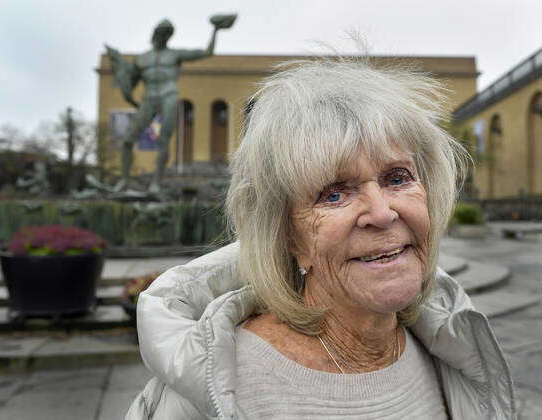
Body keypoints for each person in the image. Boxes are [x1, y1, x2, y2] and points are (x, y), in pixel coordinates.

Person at [126, 58, 516, 419]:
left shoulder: (456, 347)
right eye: (334, 193)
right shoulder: (209, 390)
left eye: (398, 178)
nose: (382, 213)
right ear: (287, 236)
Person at [106, 16, 236, 192]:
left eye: (167, 33)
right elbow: (130, 82)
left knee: (164, 140)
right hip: (149, 98)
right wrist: (122, 77)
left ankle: (156, 183)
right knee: (128, 140)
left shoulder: (174, 55)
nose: (163, 36)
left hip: (169, 95)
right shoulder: (141, 59)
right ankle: (124, 180)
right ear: (154, 34)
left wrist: (215, 31)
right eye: (161, 32)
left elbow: (207, 52)